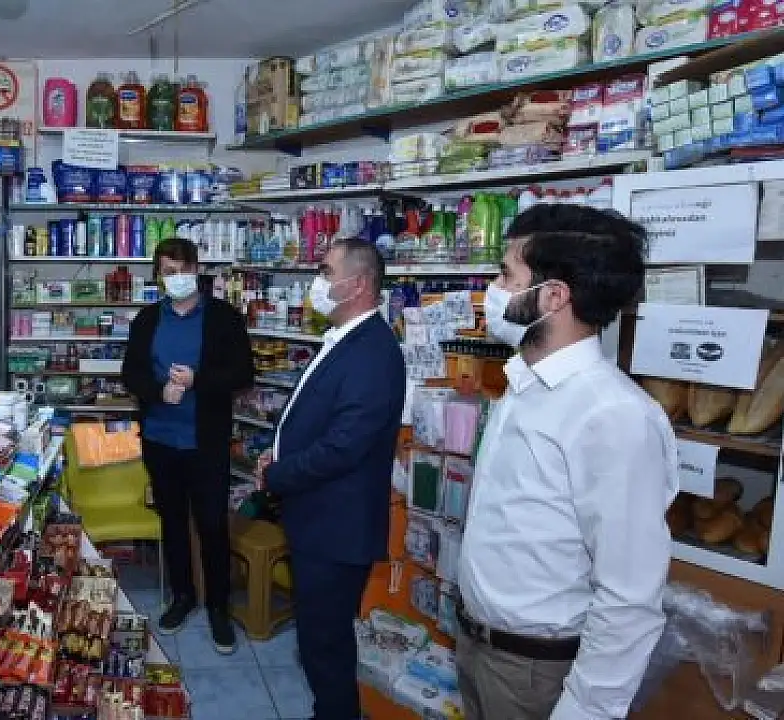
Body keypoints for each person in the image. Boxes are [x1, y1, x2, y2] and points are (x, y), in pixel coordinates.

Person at [457, 204, 678, 720]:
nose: (492, 289)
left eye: (506, 275)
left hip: (535, 674)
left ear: (553, 296)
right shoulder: (524, 383)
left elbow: (629, 595)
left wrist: (586, 709)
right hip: (478, 647)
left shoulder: (613, 415)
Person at [257, 237, 406, 720]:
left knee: (325, 645)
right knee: (320, 639)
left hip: (337, 528)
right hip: (318, 518)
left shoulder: (373, 351)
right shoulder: (345, 338)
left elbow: (344, 447)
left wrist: (278, 474)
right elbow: (315, 419)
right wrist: (276, 451)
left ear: (357, 284)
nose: (317, 282)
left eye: (325, 272)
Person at [122, 237, 254, 654]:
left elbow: (243, 373)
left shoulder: (223, 317)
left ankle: (218, 607)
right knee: (173, 522)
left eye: (184, 269)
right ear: (158, 276)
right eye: (168, 271)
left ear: (197, 270)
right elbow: (131, 374)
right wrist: (159, 391)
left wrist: (199, 381)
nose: (177, 277)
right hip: (160, 440)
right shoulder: (146, 320)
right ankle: (183, 597)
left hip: (205, 442)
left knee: (212, 524)